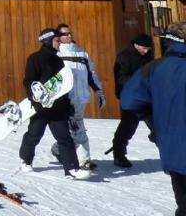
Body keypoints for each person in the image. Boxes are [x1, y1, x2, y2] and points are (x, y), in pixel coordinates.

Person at [122, 22, 186, 215]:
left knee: (182, 196)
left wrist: (152, 118)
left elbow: (129, 99)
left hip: (170, 143)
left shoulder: (154, 68)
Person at [18, 27, 88, 179]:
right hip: (41, 108)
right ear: (48, 41)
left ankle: (71, 169)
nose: (59, 43)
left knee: (64, 137)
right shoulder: (34, 58)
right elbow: (28, 80)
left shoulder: (58, 61)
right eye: (56, 40)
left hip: (58, 108)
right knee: (34, 135)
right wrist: (34, 92)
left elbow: (64, 86)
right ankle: (26, 160)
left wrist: (68, 109)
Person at [50, 24, 105, 169]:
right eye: (65, 34)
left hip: (81, 98)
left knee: (76, 128)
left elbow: (91, 74)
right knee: (76, 128)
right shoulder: (57, 54)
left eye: (70, 33)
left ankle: (59, 149)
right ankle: (82, 159)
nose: (69, 36)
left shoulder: (81, 53)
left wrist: (99, 91)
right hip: (66, 99)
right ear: (59, 37)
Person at [111, 32, 156, 168]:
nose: (146, 51)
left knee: (158, 125)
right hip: (131, 97)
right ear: (136, 45)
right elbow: (121, 78)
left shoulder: (147, 56)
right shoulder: (124, 57)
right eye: (144, 48)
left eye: (148, 49)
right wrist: (139, 82)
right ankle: (119, 154)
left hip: (147, 96)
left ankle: (169, 154)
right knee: (128, 127)